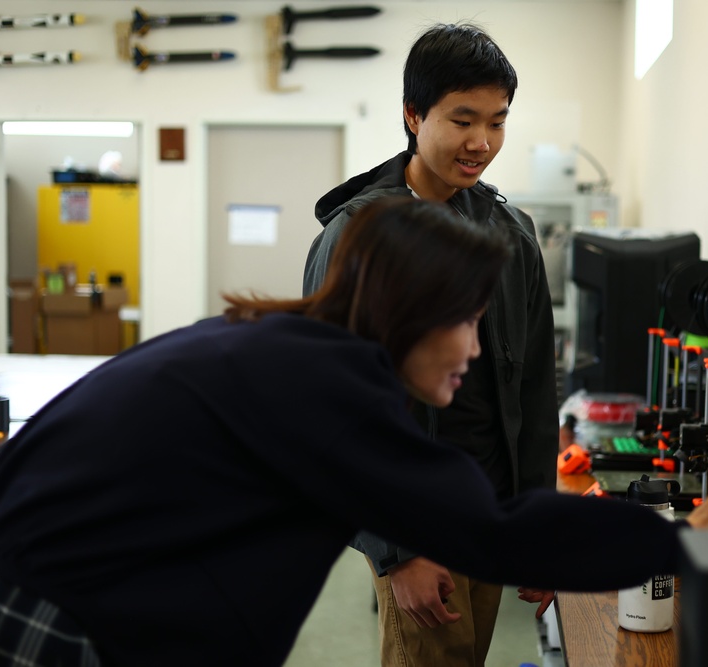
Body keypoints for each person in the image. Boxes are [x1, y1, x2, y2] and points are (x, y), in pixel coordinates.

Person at [0, 198, 708, 667]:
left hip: (24, 573)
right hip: (47, 612)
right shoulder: (322, 385)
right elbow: (488, 528)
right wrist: (686, 538)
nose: (481, 346)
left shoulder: (286, 347)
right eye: (469, 320)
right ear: (412, 310)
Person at [302, 21, 561, 666]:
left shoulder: (512, 233)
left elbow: (532, 386)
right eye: (463, 119)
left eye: (497, 122)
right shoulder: (360, 235)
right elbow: (333, 408)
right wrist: (397, 552)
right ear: (414, 116)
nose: (481, 143)